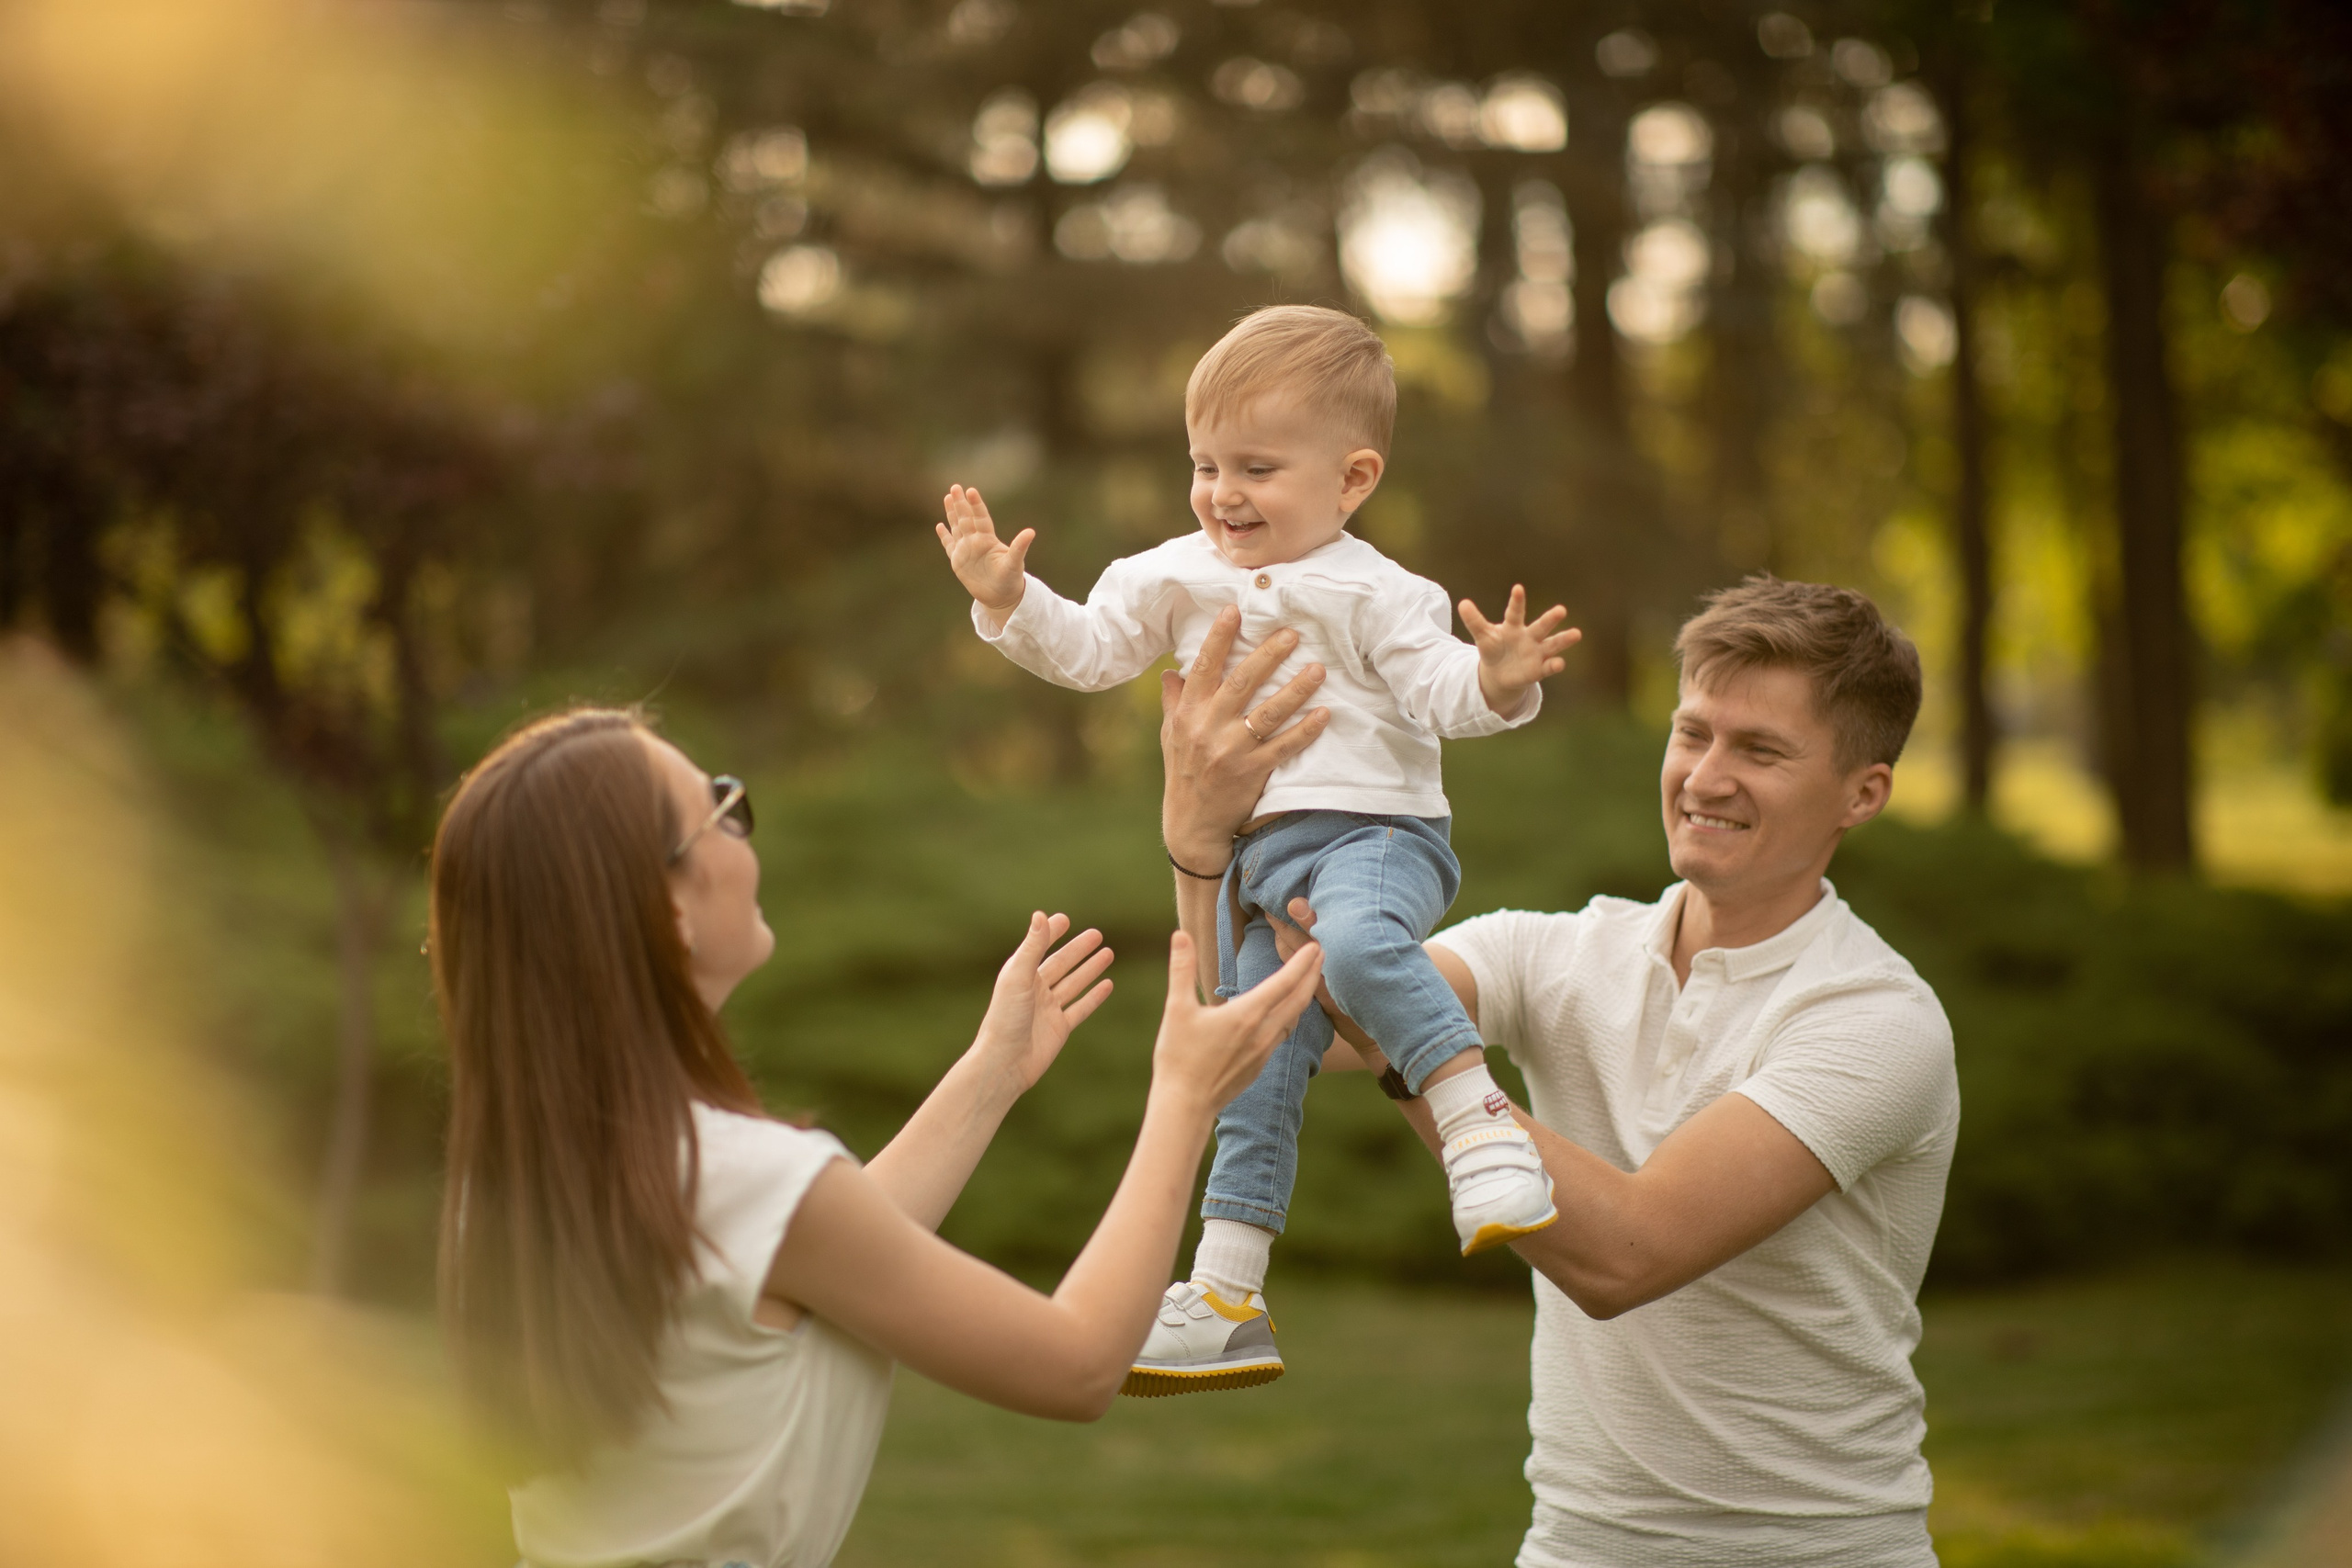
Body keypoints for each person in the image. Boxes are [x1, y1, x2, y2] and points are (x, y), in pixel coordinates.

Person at [1161, 577, 1962, 1567]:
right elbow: (1255, 1029)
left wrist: (1411, 1045)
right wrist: (1202, 849)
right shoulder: (1559, 953)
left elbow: (1627, 1255)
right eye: (1692, 733)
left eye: (1759, 750)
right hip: (1576, 1546)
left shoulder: (1873, 1017)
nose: (1706, 777)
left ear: (1862, 792)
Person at [430, 706, 1324, 1568]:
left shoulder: (550, 1164)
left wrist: (992, 1071)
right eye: (722, 811)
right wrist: (1185, 1099)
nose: (745, 834)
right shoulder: (734, 1173)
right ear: (667, 911)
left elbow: (827, 1263)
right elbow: (1079, 1362)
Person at [934, 304, 1583, 1395]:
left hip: (1378, 840)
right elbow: (1093, 652)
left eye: (1257, 467)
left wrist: (1497, 682)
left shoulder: (1382, 593)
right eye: (1203, 464)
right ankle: (1229, 1293)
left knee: (1367, 951)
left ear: (1353, 478)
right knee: (1253, 1060)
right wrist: (1010, 602)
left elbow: (1437, 691)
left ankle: (1482, 1134)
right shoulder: (1170, 574)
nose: (1222, 492)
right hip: (1254, 864)